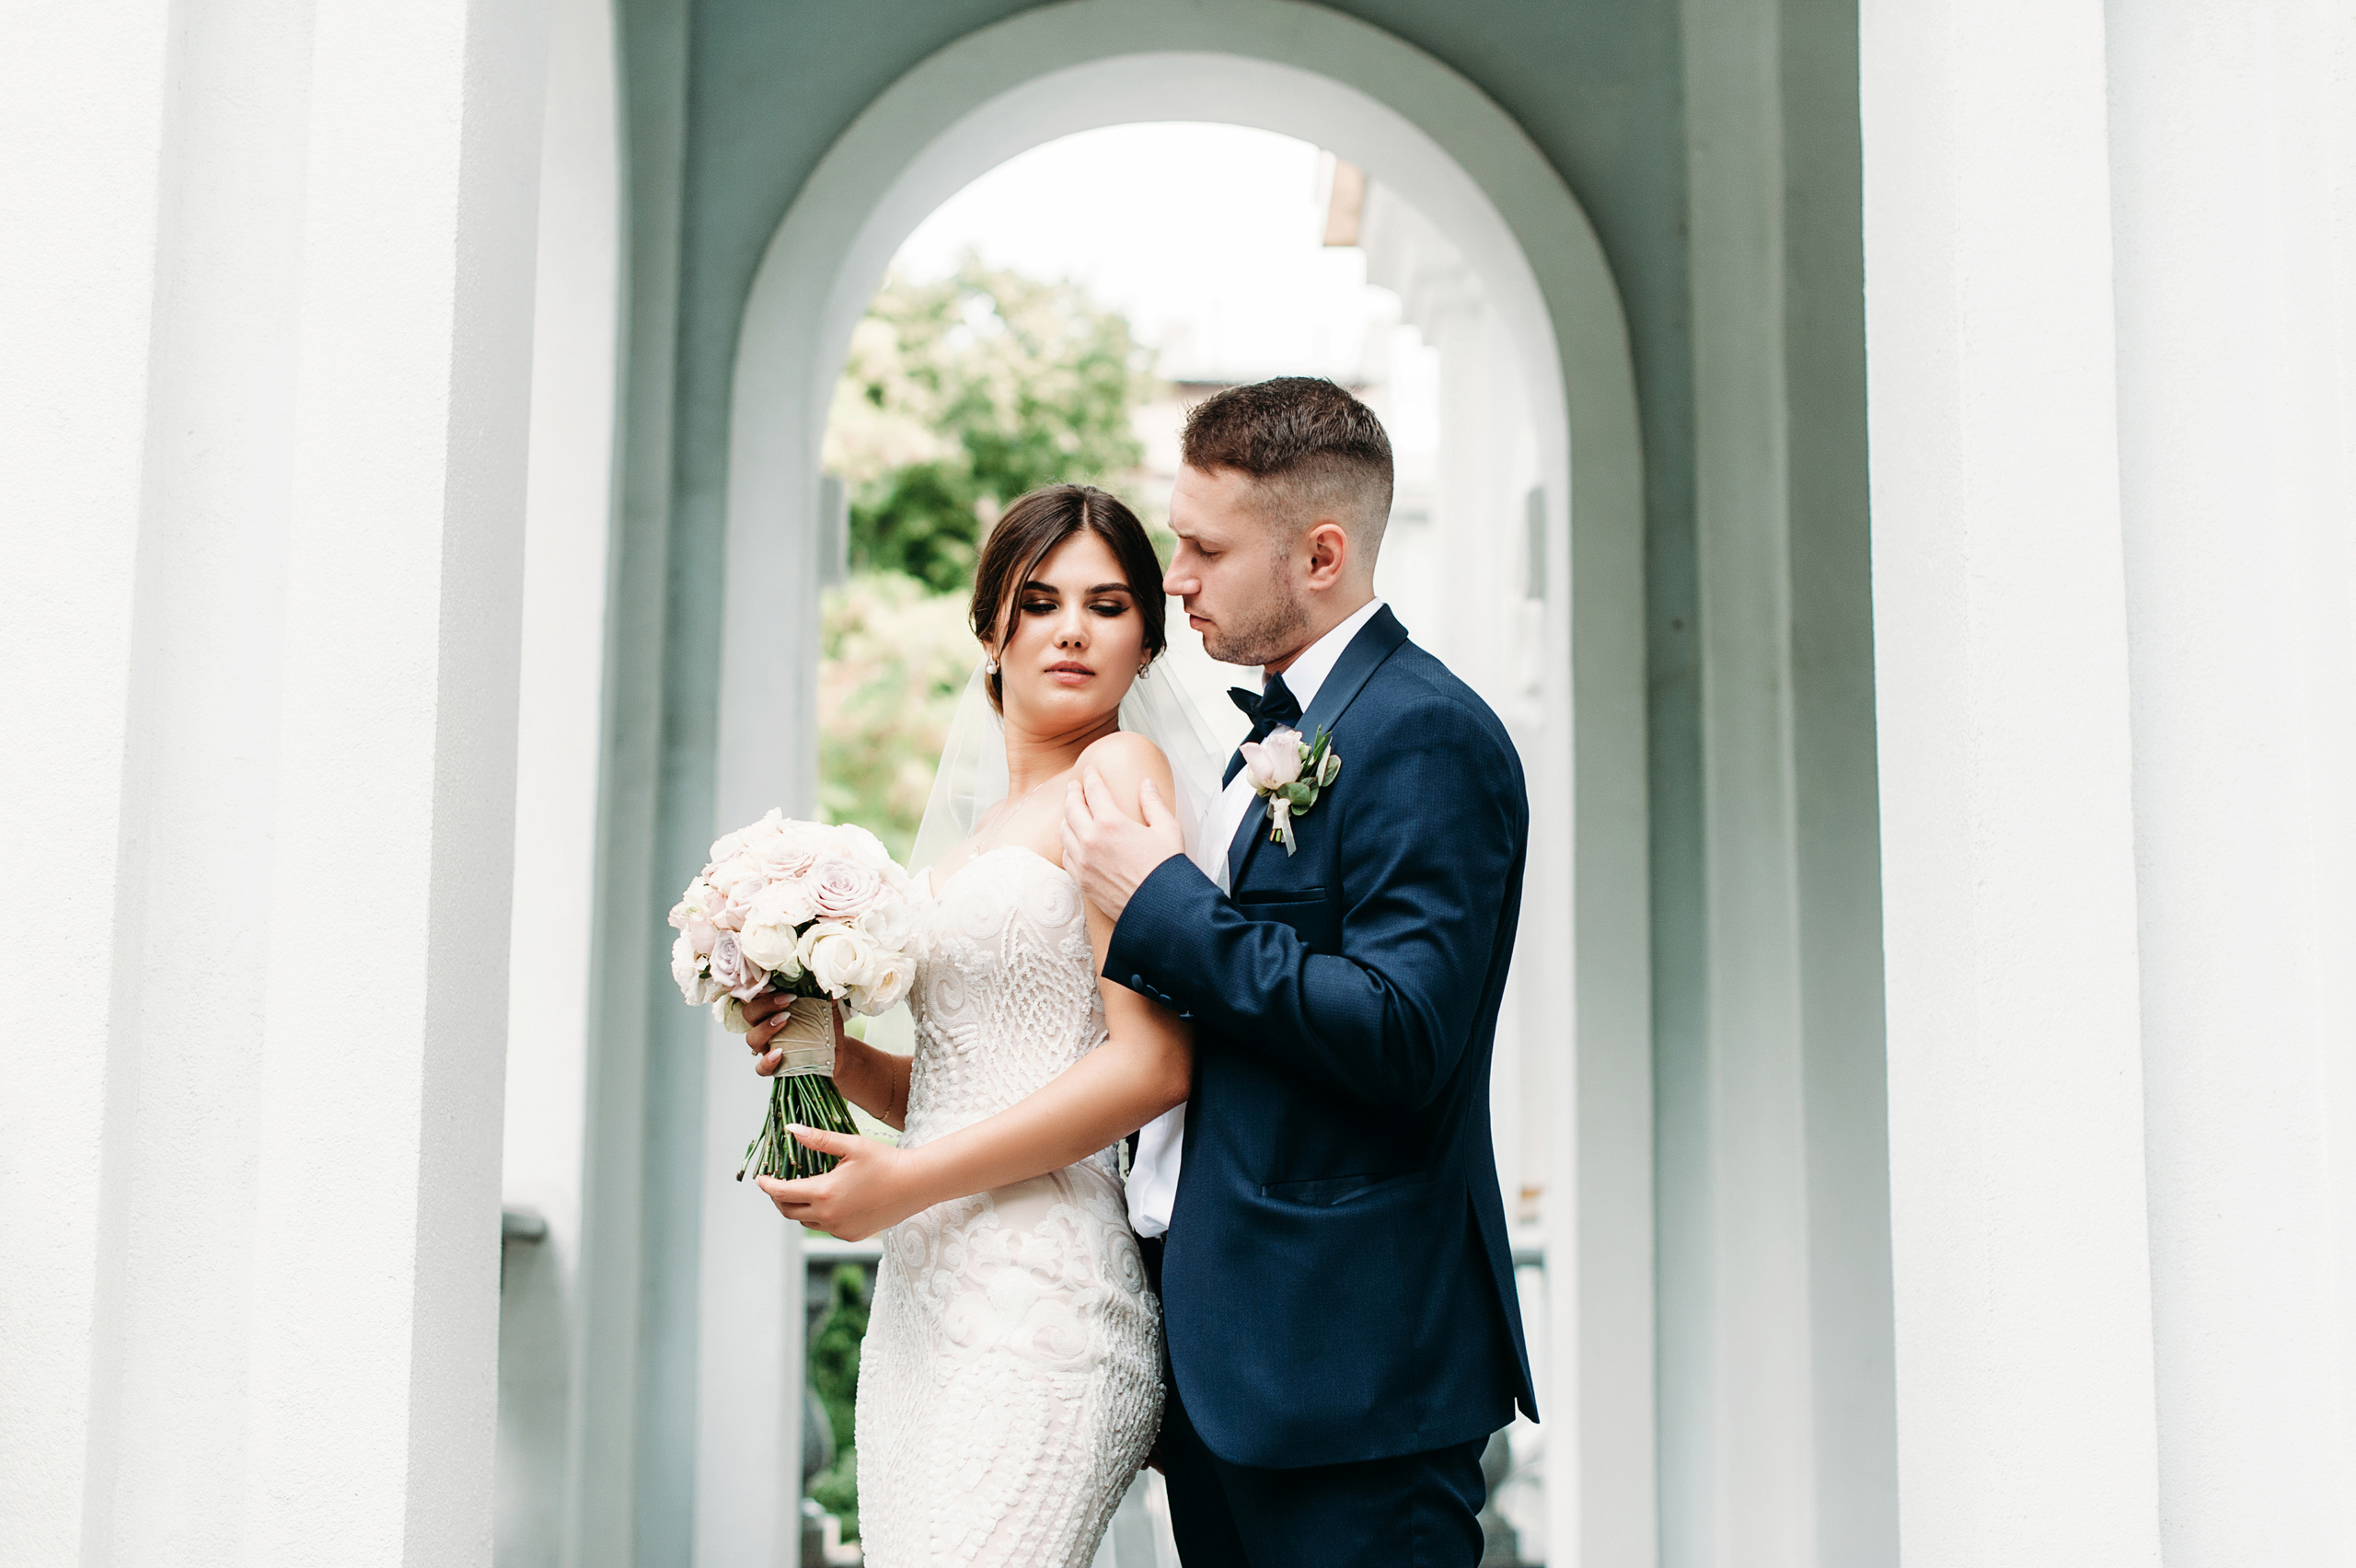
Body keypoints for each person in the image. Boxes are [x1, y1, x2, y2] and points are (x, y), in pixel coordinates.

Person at [756, 378, 1538, 1568]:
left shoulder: (1421, 732)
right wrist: (839, 1057)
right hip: (1224, 1366)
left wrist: (1162, 903)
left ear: (1320, 554)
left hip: (1347, 1371)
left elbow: (1402, 1033)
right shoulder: (1262, 749)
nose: (1177, 576)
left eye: (1201, 548)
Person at [739, 483, 1199, 1568]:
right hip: (925, 1302)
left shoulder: (1120, 774)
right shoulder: (973, 835)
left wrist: (905, 1181)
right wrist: (839, 1056)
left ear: (1147, 638)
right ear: (990, 628)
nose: (1072, 630)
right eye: (1038, 602)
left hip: (1041, 1304)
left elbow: (1150, 1064)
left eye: (1109, 603)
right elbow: (973, 1082)